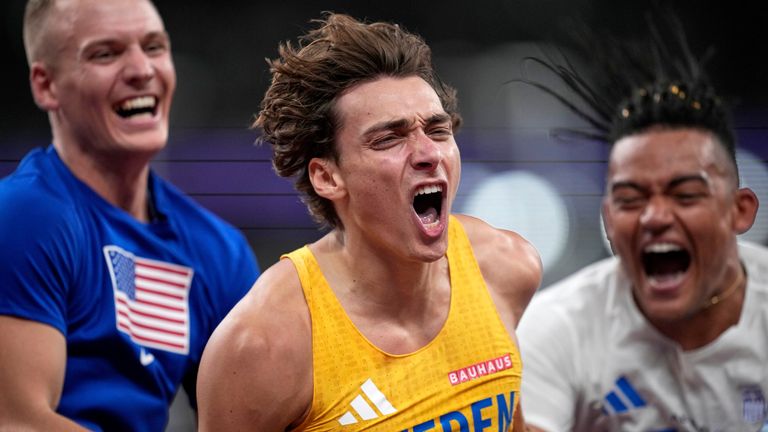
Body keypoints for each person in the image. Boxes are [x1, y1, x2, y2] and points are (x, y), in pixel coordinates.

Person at [196, 13, 542, 431]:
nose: (427, 153)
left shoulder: (506, 267)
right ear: (327, 176)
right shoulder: (262, 345)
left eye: (437, 130)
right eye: (389, 138)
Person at [0, 0, 260, 430]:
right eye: (106, 53)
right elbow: (17, 422)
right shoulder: (23, 218)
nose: (142, 69)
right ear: (46, 86)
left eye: (154, 47)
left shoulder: (218, 250)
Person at [516, 10, 768, 432]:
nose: (654, 216)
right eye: (631, 199)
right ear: (609, 221)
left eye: (685, 195)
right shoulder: (557, 328)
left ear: (739, 211)